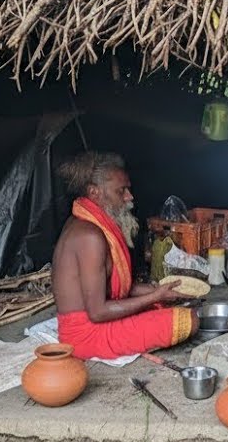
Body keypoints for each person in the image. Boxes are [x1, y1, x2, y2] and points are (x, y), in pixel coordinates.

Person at [53, 151, 195, 359]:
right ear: (95, 192)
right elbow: (98, 312)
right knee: (188, 320)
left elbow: (112, 288)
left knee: (162, 304)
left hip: (95, 321)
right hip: (86, 335)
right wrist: (154, 296)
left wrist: (158, 291)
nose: (130, 197)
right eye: (122, 191)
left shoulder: (89, 221)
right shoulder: (89, 236)